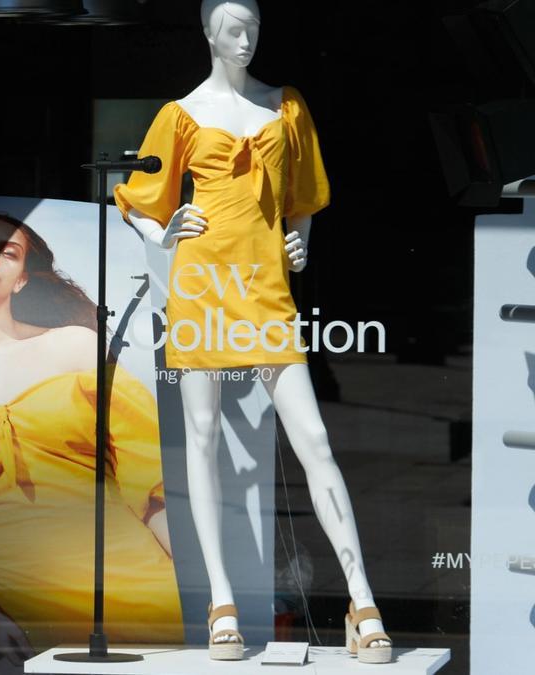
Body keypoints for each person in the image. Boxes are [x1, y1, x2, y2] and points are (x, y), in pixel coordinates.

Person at [114, 0, 391, 663]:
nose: (245, 41)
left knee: (314, 436)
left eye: (255, 29)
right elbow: (137, 202)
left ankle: (362, 597)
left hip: (265, 293)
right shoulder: (178, 115)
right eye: (233, 30)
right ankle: (222, 600)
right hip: (202, 290)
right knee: (204, 438)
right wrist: (164, 228)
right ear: (208, 33)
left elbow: (303, 200)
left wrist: (298, 244)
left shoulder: (285, 107)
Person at [0, 211, 182, 668]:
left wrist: (197, 591)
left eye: (8, 252)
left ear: (21, 281)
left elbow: (150, 479)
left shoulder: (72, 348)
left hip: (135, 578)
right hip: (24, 598)